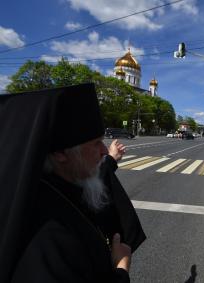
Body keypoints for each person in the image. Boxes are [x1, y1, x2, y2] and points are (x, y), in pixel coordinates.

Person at [0, 84, 145, 283]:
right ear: (60, 154)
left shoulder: (61, 180)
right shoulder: (46, 237)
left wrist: (111, 160)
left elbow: (95, 173)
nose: (104, 151)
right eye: (96, 143)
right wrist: (121, 269)